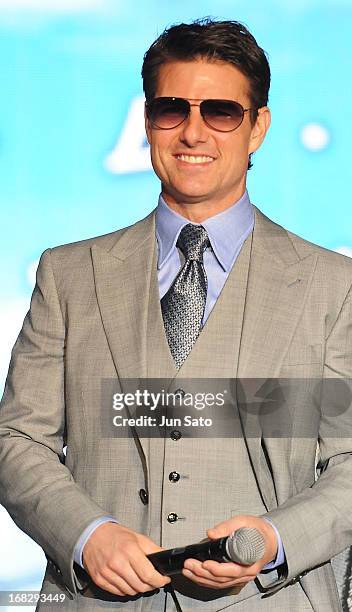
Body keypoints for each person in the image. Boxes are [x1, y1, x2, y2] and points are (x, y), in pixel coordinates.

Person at [0, 18, 352, 612]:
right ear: (147, 122)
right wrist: (87, 537)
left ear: (258, 128)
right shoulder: (68, 275)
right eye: (172, 109)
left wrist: (273, 541)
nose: (193, 132)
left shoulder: (333, 287)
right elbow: (17, 437)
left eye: (221, 111)